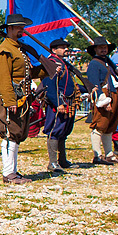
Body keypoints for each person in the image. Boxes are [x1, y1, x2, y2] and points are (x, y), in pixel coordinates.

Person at [0, 14, 53, 184]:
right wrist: (10, 100)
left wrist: (46, 69)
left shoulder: (19, 48)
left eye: (22, 27)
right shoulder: (5, 49)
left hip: (22, 97)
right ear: (9, 29)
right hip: (12, 98)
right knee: (9, 133)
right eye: (18, 27)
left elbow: (27, 74)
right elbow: (3, 78)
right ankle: (8, 173)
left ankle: (12, 171)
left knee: (18, 133)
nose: (21, 30)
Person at [85, 37, 118, 165]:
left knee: (110, 126)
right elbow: (94, 84)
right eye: (100, 47)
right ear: (95, 49)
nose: (103, 49)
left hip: (113, 94)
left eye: (105, 47)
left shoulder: (108, 62)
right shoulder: (94, 64)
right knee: (100, 125)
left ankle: (109, 154)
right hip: (104, 95)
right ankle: (97, 155)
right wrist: (103, 100)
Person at [42, 39, 77, 172]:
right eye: (62, 47)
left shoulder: (63, 64)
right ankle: (53, 162)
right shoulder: (51, 63)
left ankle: (62, 160)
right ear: (54, 50)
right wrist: (58, 103)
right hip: (58, 101)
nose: (65, 49)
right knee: (55, 131)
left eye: (65, 47)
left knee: (63, 131)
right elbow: (50, 86)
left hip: (66, 100)